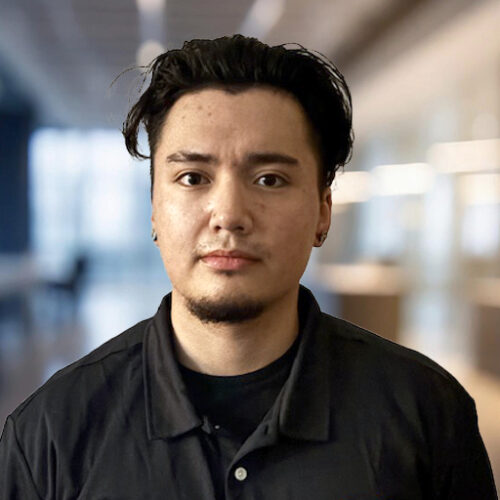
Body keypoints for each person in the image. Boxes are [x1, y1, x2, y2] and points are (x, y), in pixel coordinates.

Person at [0, 35, 497, 500]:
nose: (230, 214)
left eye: (269, 179)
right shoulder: (51, 431)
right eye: (192, 177)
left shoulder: (427, 415)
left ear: (323, 211)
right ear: (154, 208)